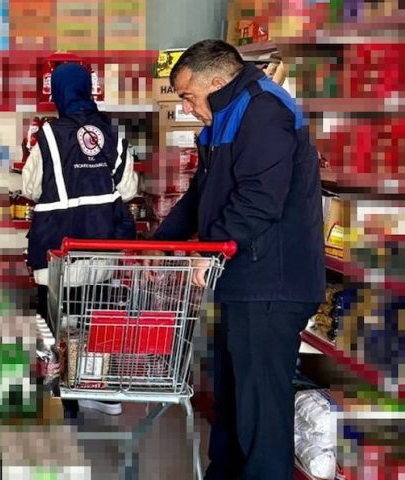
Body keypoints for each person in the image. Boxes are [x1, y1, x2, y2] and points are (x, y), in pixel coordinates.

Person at [152, 39, 325, 480]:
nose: (186, 107)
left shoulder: (264, 111)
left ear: (216, 81)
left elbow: (259, 199)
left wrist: (211, 251)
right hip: (243, 278)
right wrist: (157, 245)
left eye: (188, 96)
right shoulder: (225, 117)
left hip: (272, 282)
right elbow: (202, 195)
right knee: (232, 400)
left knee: (259, 410)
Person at [23, 62, 138, 416]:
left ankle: (60, 395)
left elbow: (30, 188)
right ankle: (96, 388)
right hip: (101, 249)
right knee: (93, 320)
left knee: (54, 322)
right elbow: (129, 189)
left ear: (58, 93)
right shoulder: (112, 134)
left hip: (56, 251)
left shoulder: (49, 135)